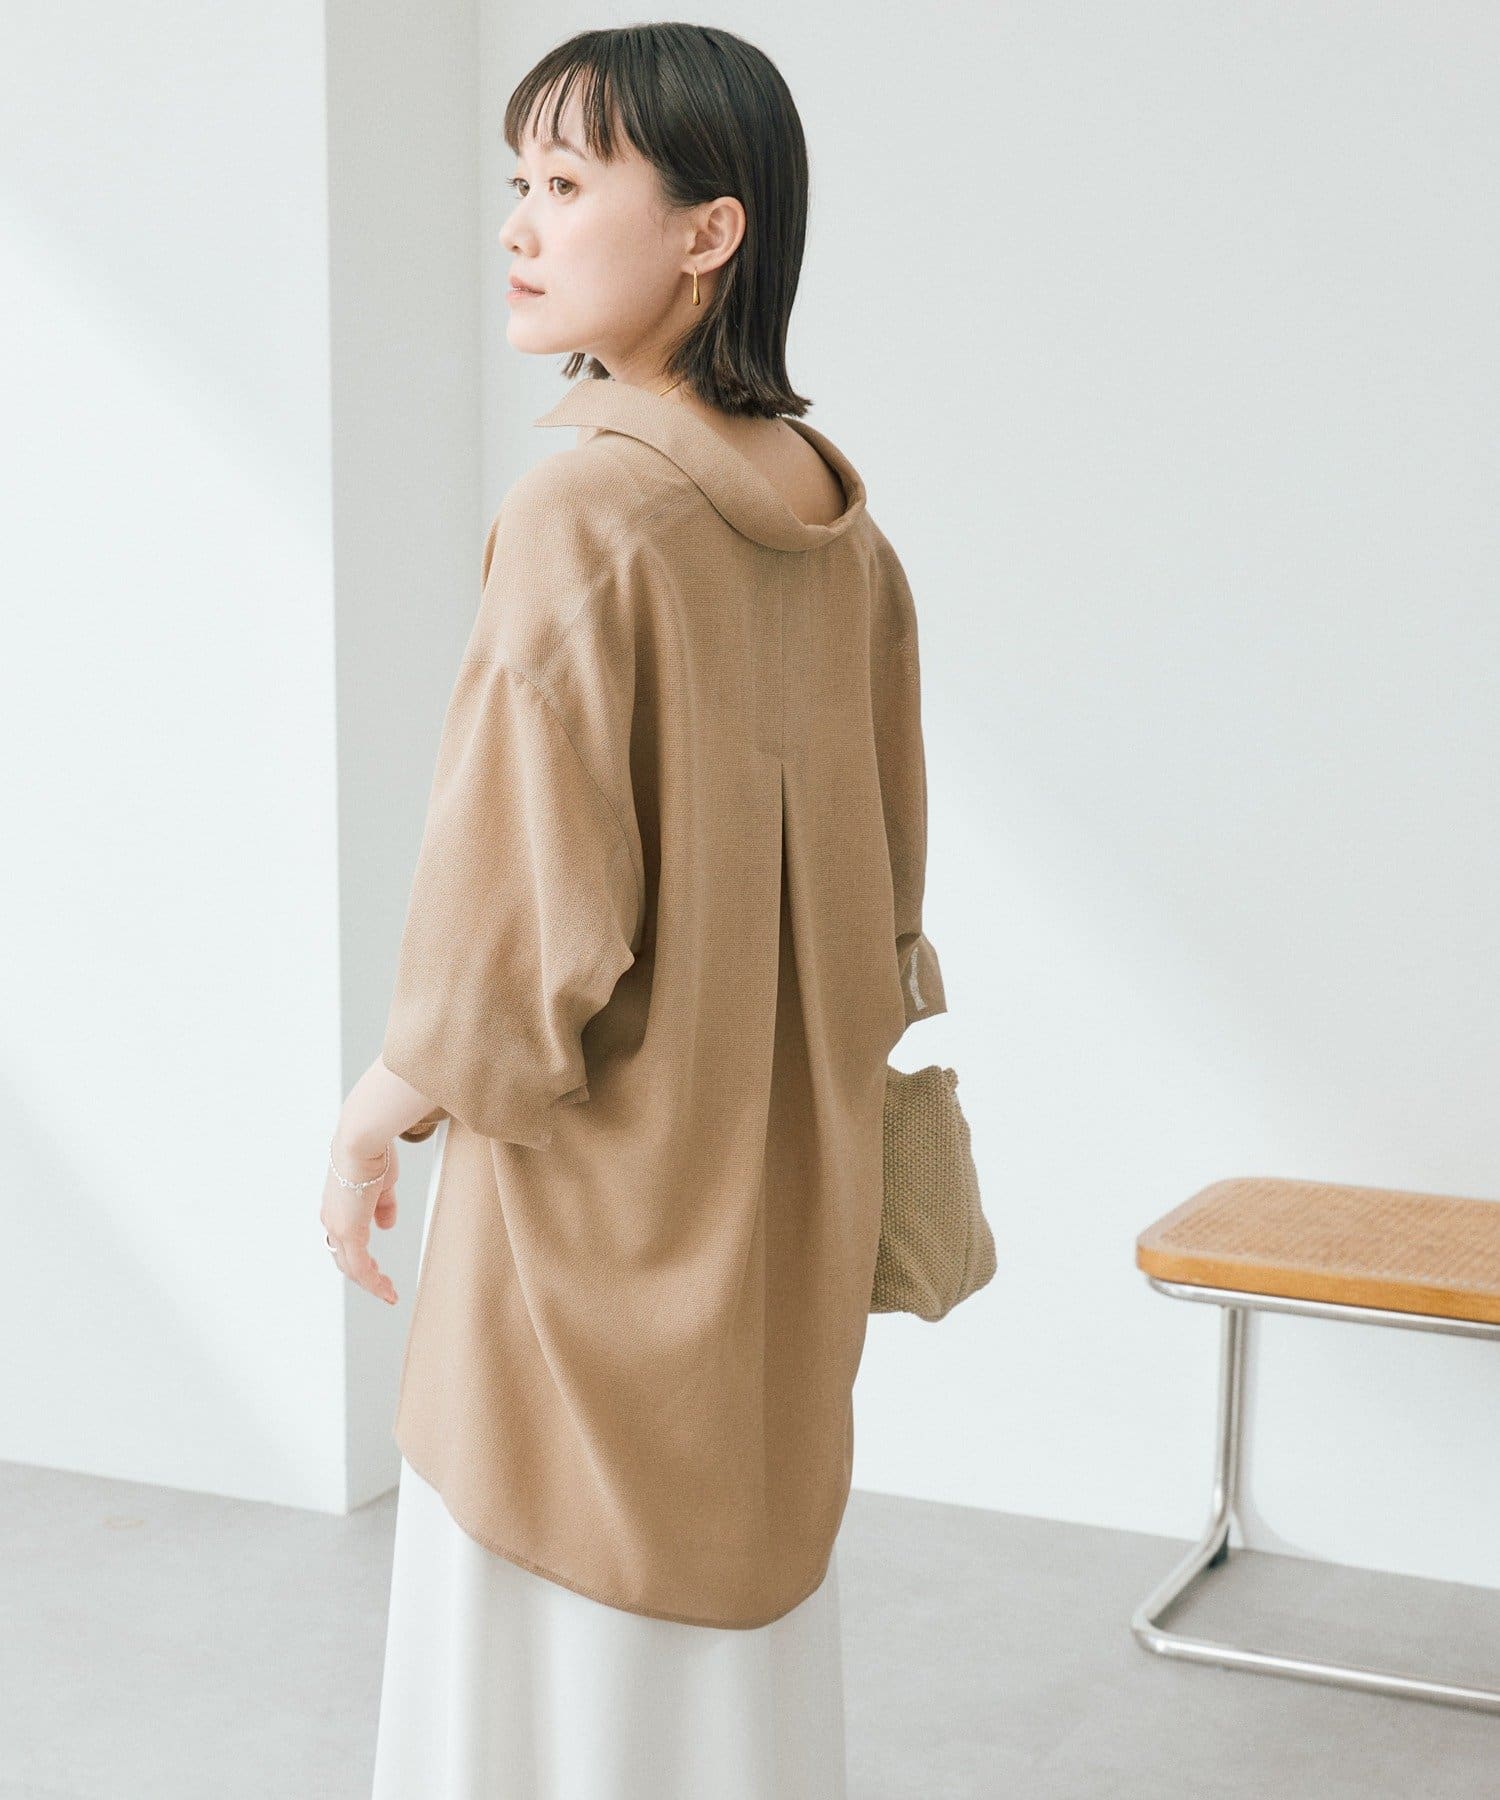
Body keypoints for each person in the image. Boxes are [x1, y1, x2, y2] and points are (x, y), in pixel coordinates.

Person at [319, 23, 947, 1798]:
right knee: (729, 1694)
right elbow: (889, 894)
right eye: (518, 181)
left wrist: (380, 1105)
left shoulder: (585, 508)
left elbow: (514, 927)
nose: (519, 224)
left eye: (568, 181)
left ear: (708, 231)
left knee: (533, 1687)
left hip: (588, 1213)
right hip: (774, 1195)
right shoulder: (843, 537)